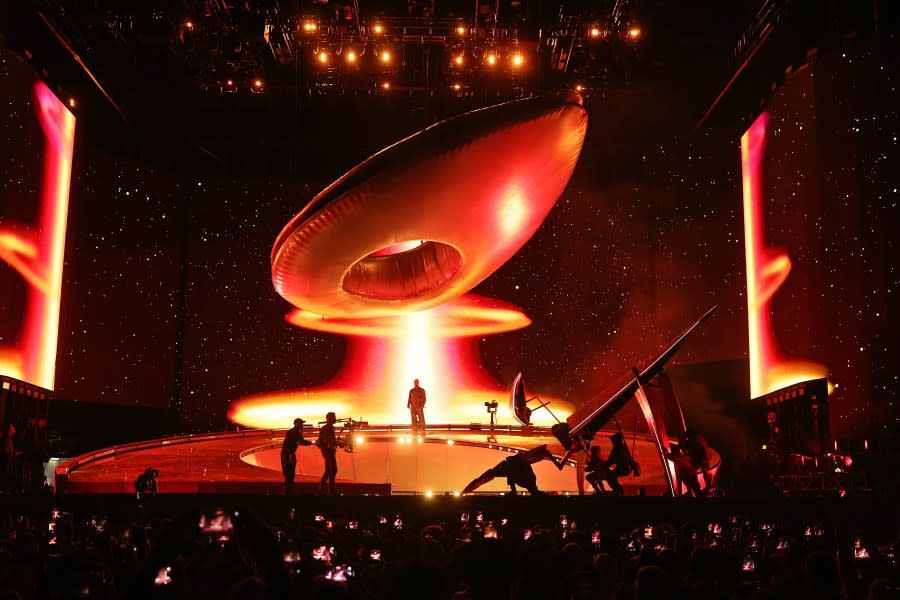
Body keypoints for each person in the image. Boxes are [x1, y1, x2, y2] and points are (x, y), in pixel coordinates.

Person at [281, 418, 312, 495]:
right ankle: (289, 491)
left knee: (288, 473)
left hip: (287, 454)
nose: (302, 425)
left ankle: (288, 490)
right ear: (296, 424)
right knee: (290, 473)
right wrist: (312, 442)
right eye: (301, 424)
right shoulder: (296, 432)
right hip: (288, 454)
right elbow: (302, 441)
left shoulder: (293, 432)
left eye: (302, 423)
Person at [316, 412, 339, 496]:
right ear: (328, 418)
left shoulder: (329, 427)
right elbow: (328, 441)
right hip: (328, 451)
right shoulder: (327, 428)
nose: (335, 418)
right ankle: (330, 491)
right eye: (333, 417)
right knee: (333, 469)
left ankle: (321, 490)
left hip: (328, 451)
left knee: (328, 470)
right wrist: (338, 443)